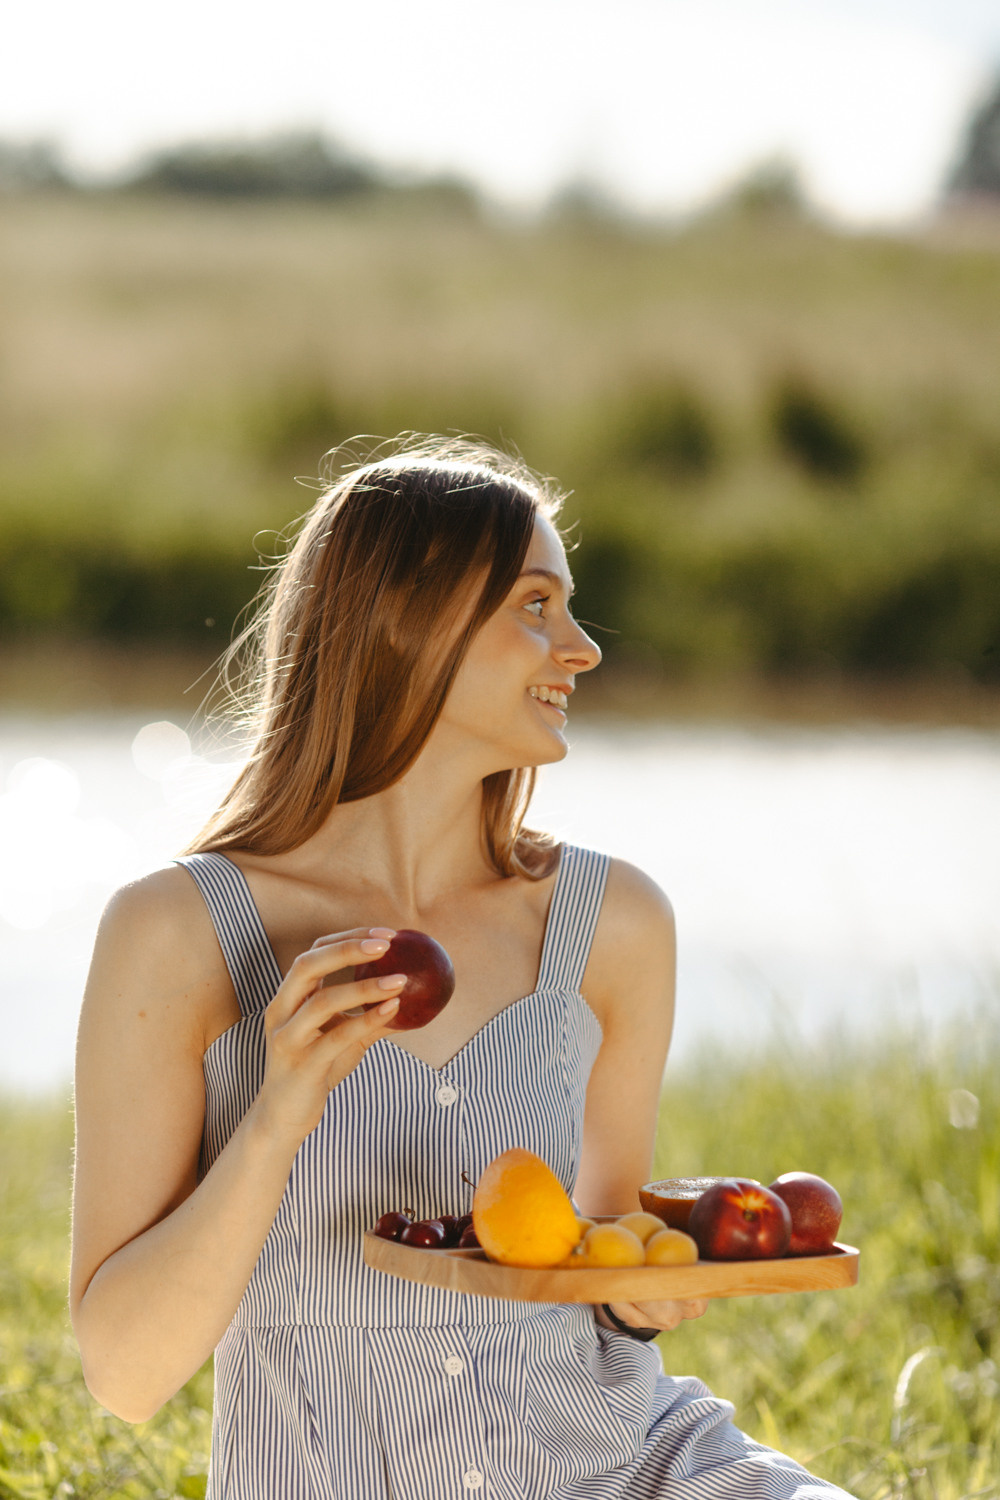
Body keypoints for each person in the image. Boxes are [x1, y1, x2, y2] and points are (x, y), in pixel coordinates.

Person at [71, 436, 856, 1498]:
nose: (579, 648)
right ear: (411, 620)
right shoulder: (177, 934)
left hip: (628, 1469)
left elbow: (595, 1257)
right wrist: (279, 1112)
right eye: (535, 606)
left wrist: (645, 1290)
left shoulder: (613, 923)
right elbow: (125, 1372)